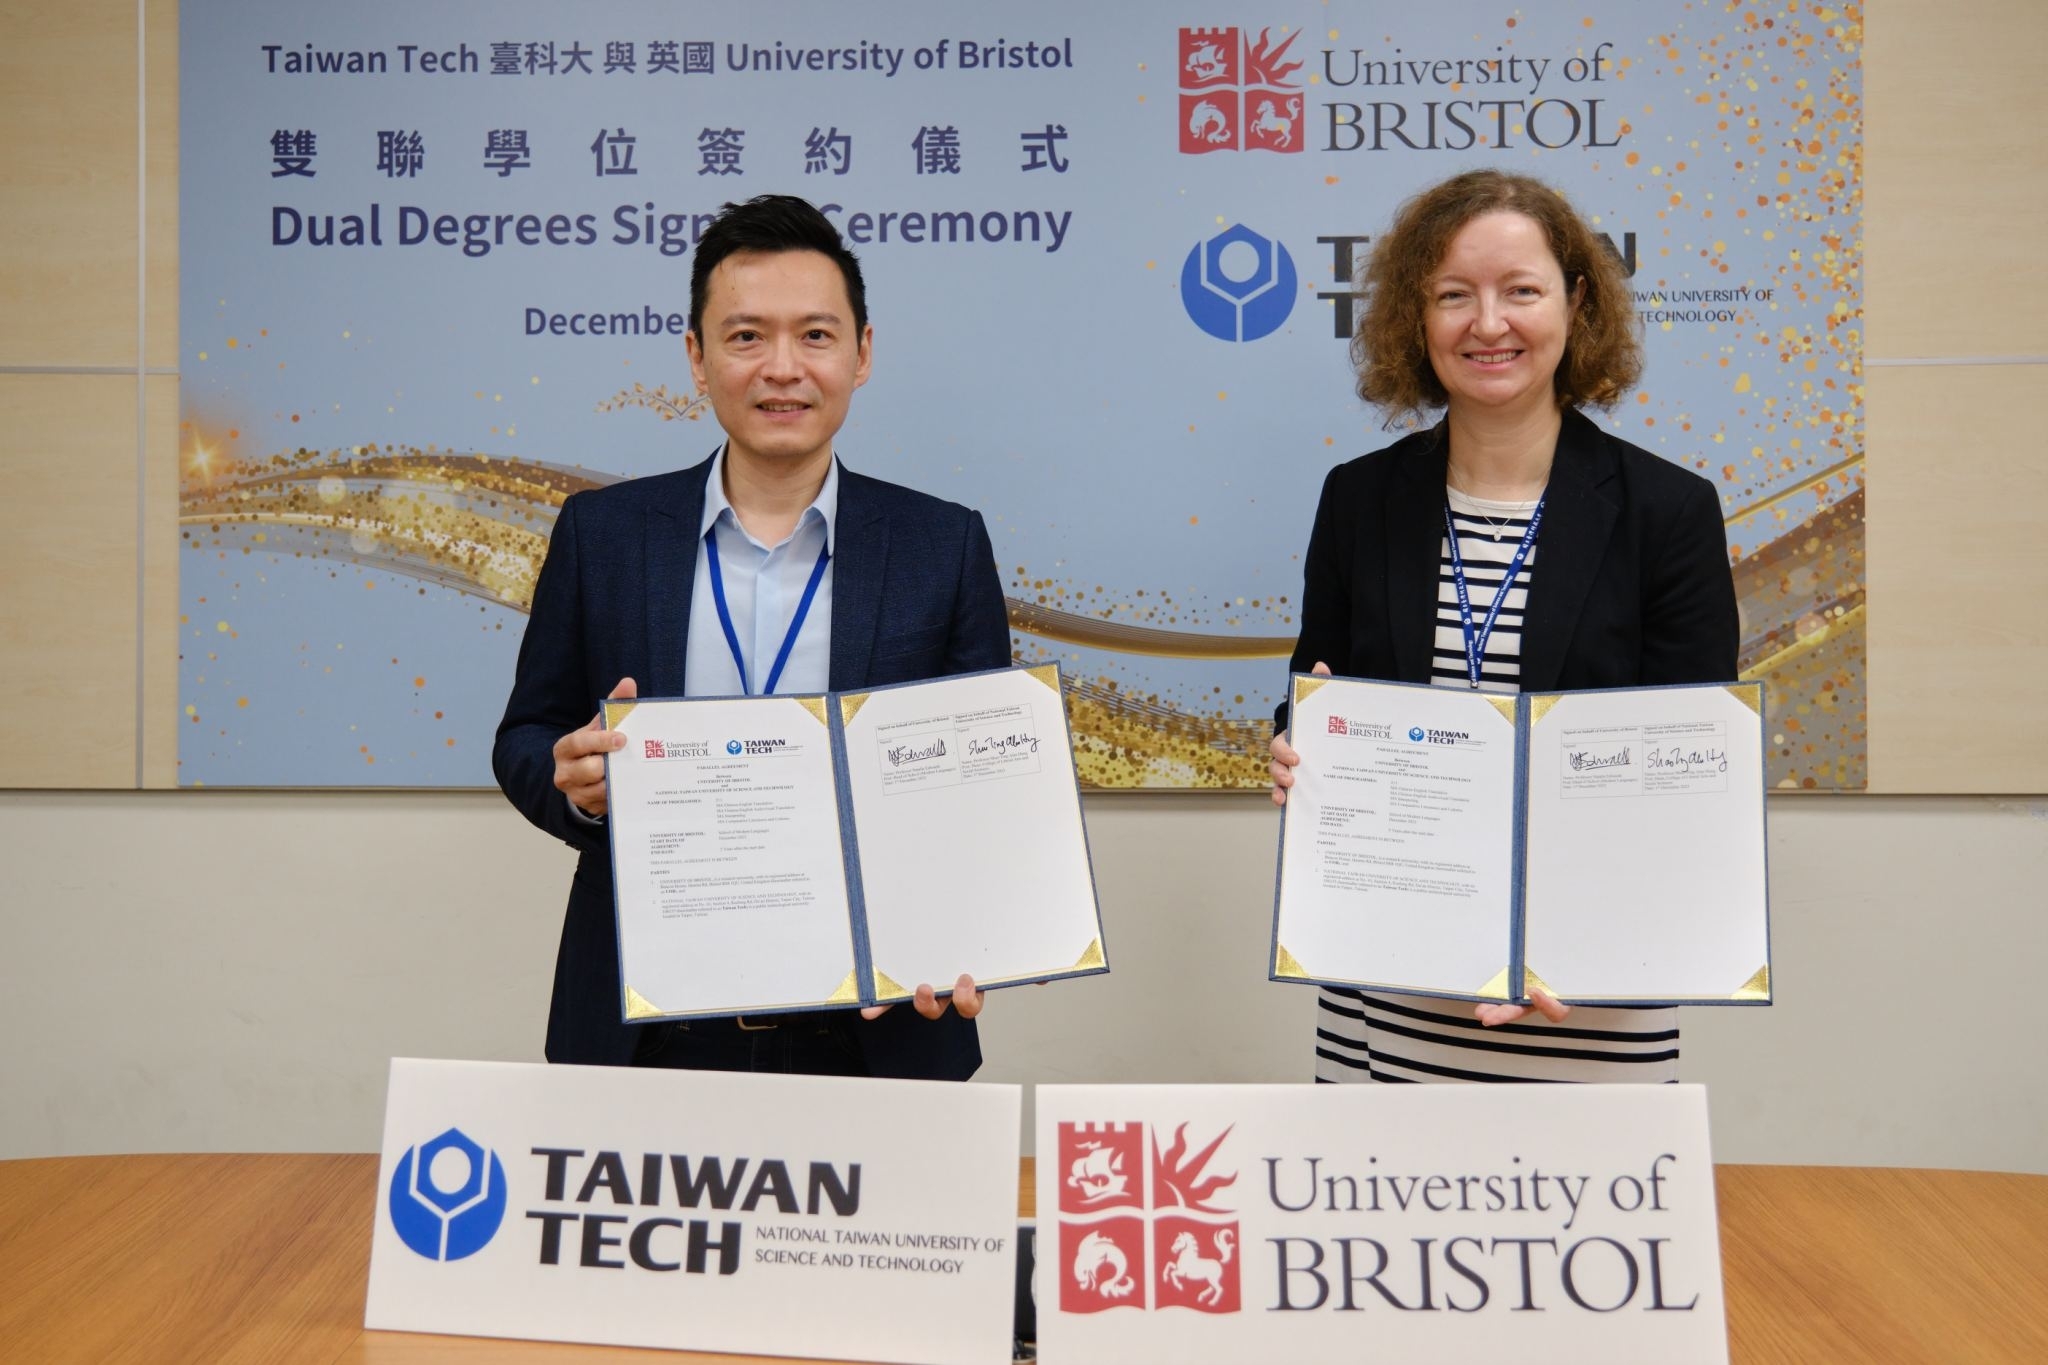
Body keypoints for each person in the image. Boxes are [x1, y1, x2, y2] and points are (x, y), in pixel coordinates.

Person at [493, 195, 1009, 1079]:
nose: (782, 368)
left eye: (815, 335)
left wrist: (969, 932)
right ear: (696, 358)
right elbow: (526, 737)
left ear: (863, 352)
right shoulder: (604, 534)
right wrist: (577, 785)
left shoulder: (942, 543)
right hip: (649, 1036)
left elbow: (980, 789)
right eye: (745, 338)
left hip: (876, 1034)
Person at [1269, 169, 1739, 1083]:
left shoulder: (1666, 511)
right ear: (1418, 317)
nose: (1489, 324)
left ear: (1577, 302)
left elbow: (1689, 773)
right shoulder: (1360, 499)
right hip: (1390, 972)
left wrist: (1569, 939)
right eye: (1455, 295)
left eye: (1520, 290)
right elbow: (1316, 686)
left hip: (1589, 980)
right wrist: (1296, 742)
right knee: (1379, 1214)